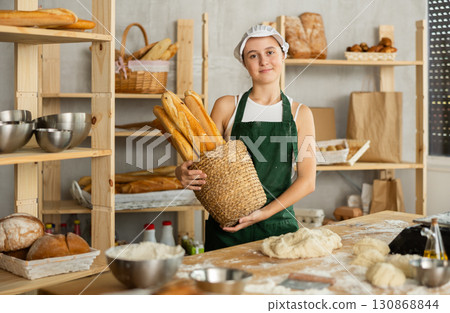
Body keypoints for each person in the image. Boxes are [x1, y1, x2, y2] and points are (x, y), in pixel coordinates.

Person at [175, 24, 317, 251]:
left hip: (278, 230)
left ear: (283, 54)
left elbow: (308, 181)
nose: (263, 61)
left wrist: (264, 214)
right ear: (244, 63)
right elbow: (200, 162)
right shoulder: (226, 106)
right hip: (227, 230)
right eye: (253, 55)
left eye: (270, 52)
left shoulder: (301, 114)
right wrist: (181, 172)